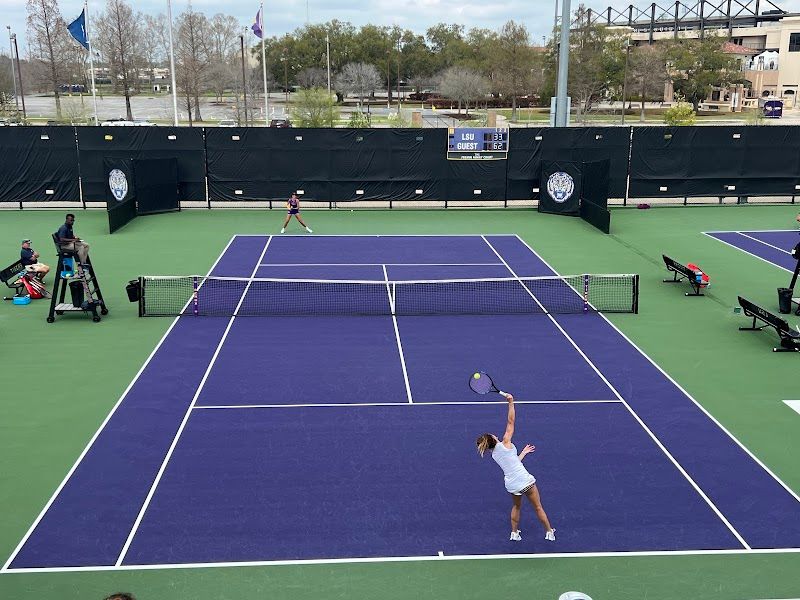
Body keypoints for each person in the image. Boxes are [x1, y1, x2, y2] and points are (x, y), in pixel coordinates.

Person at [476, 393, 556, 542]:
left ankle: (514, 533)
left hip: (512, 484)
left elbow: (512, 463)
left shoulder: (494, 454)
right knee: (538, 507)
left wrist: (523, 453)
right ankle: (549, 532)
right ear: (493, 439)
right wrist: (511, 402)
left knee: (517, 507)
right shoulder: (505, 442)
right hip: (525, 481)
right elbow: (511, 421)